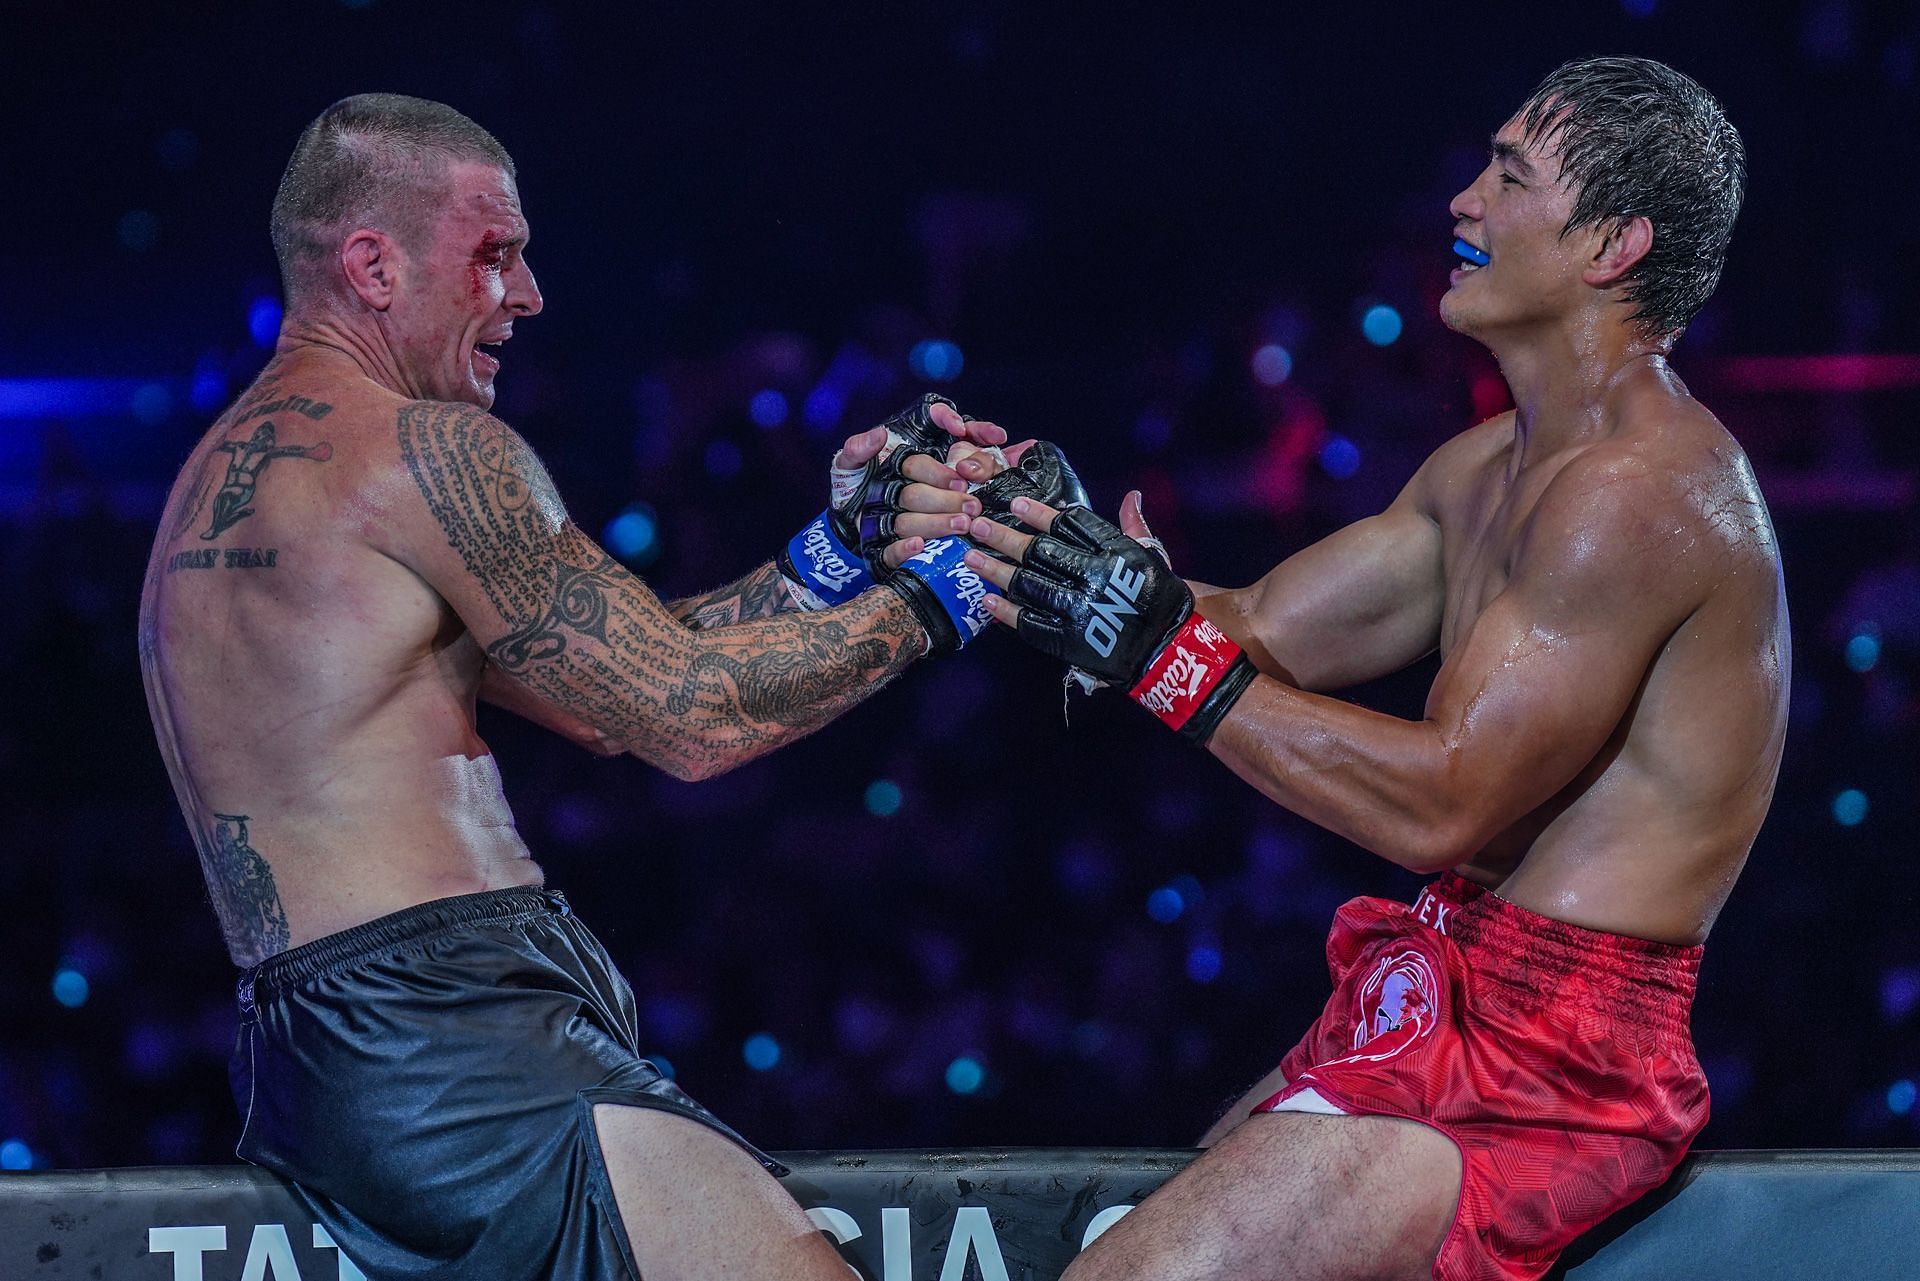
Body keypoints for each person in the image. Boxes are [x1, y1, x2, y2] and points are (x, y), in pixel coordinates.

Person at [136, 93, 1061, 1281]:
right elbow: (687, 720)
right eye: (495, 257)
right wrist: (949, 591)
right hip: (452, 1034)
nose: (525, 298)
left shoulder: (212, 492)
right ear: (373, 264)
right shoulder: (426, 454)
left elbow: (609, 690)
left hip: (325, 1052)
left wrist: (839, 552)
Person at [963, 56, 1783, 1281]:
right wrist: (1020, 545)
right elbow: (1252, 626)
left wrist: (1154, 647)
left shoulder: (1638, 496)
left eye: (1508, 177)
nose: (1462, 202)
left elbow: (1442, 802)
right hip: (1440, 985)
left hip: (1553, 1063)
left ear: (1612, 243)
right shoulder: (1487, 466)